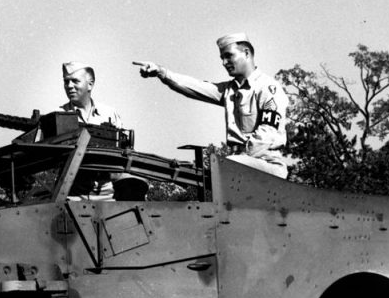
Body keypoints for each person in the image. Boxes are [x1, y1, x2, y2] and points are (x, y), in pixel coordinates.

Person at [135, 33, 289, 178]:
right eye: (222, 58)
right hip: (239, 164)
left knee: (223, 167)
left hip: (267, 164)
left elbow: (267, 135)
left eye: (229, 56)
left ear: (247, 53)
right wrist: (161, 72)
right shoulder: (229, 90)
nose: (224, 63)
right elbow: (195, 87)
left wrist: (233, 161)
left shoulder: (268, 88)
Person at [59, 62, 124, 200]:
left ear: (90, 84)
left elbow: (123, 154)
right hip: (72, 194)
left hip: (108, 196)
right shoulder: (59, 115)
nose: (69, 86)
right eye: (66, 82)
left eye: (75, 81)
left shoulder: (109, 114)